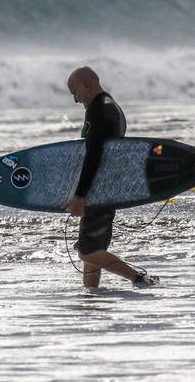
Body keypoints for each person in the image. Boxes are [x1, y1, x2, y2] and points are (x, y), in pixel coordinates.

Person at [63, 66, 159, 288]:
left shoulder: (100, 110)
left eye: (75, 92)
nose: (76, 100)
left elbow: (94, 156)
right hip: (105, 190)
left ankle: (139, 278)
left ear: (87, 84)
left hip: (99, 192)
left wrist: (79, 195)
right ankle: (92, 298)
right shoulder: (109, 106)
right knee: (95, 251)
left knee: (87, 252)